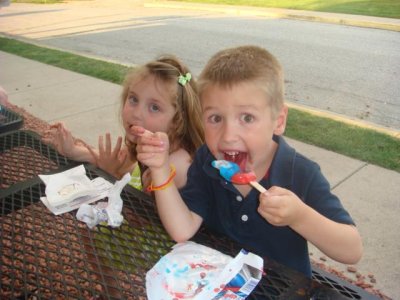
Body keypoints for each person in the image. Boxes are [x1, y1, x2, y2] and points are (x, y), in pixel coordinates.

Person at [133, 45, 363, 277]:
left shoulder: (300, 173)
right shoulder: (207, 161)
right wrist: (160, 169)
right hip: (220, 284)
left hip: (284, 291)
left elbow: (351, 250)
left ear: (278, 121)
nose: (228, 135)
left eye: (247, 117)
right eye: (215, 118)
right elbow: (182, 229)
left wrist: (299, 216)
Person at [43, 55, 204, 192]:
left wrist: (111, 174)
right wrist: (73, 150)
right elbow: (119, 160)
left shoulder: (176, 166)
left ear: (177, 121)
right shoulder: (147, 143)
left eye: (154, 107)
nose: (136, 113)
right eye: (133, 99)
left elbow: (140, 219)